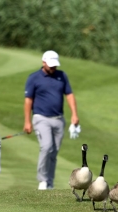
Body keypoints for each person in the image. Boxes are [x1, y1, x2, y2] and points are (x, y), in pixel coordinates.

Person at [23, 50, 80, 190]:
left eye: (55, 65)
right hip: (41, 118)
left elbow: (70, 95)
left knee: (54, 153)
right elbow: (28, 101)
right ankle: (42, 180)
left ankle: (50, 182)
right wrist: (27, 121)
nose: (53, 68)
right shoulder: (34, 78)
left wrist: (74, 114)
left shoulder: (62, 76)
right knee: (46, 147)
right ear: (43, 62)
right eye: (51, 65)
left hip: (59, 119)